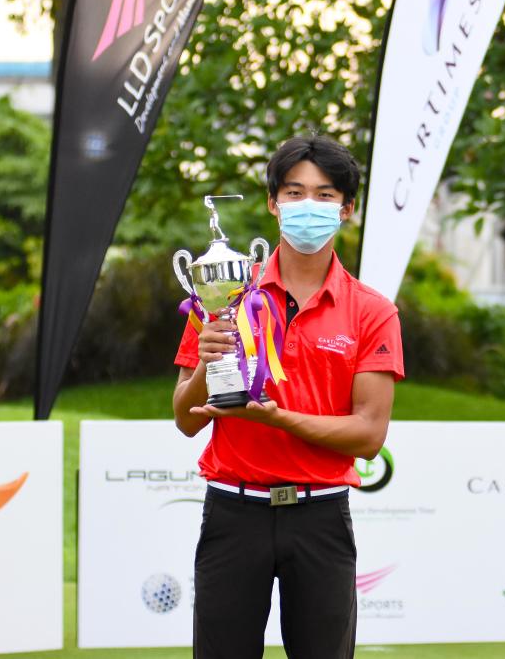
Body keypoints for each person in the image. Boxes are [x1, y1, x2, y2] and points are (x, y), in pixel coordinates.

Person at [173, 136, 402, 659]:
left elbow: (368, 436)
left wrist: (282, 420)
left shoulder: (372, 311)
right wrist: (209, 364)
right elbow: (186, 419)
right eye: (294, 192)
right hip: (233, 512)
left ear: (346, 209)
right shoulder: (223, 293)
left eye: (325, 196)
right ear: (273, 203)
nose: (308, 207)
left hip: (321, 518)